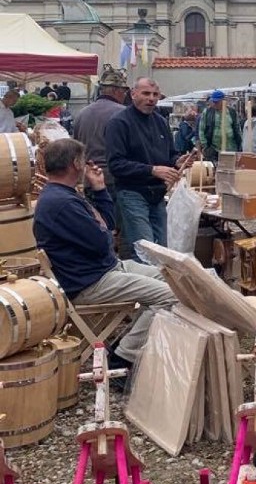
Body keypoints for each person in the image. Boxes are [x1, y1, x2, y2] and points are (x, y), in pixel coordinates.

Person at [33, 139, 177, 369]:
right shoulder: (61, 203)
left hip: (103, 269)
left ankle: (127, 345)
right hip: (90, 282)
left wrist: (99, 189)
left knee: (174, 277)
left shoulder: (64, 195)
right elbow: (104, 241)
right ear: (76, 164)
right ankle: (124, 356)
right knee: (172, 295)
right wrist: (104, 230)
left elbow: (108, 227)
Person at [106, 77, 190, 252]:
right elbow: (116, 165)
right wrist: (152, 170)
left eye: (155, 94)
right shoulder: (119, 122)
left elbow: (170, 154)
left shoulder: (161, 122)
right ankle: (146, 277)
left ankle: (159, 278)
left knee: (163, 249)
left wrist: (177, 161)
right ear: (133, 94)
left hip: (157, 195)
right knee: (146, 249)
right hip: (132, 193)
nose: (151, 98)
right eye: (146, 93)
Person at [73, 66, 130, 192]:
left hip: (88, 178)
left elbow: (76, 147)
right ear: (116, 91)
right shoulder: (124, 113)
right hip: (115, 179)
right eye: (124, 91)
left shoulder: (82, 113)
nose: (125, 95)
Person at [199, 90, 242, 162]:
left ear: (223, 100)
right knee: (213, 169)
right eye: (213, 102)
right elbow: (201, 129)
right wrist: (205, 145)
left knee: (228, 170)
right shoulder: (207, 112)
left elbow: (237, 128)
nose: (215, 104)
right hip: (213, 148)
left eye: (217, 102)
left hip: (230, 147)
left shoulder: (232, 112)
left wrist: (239, 143)